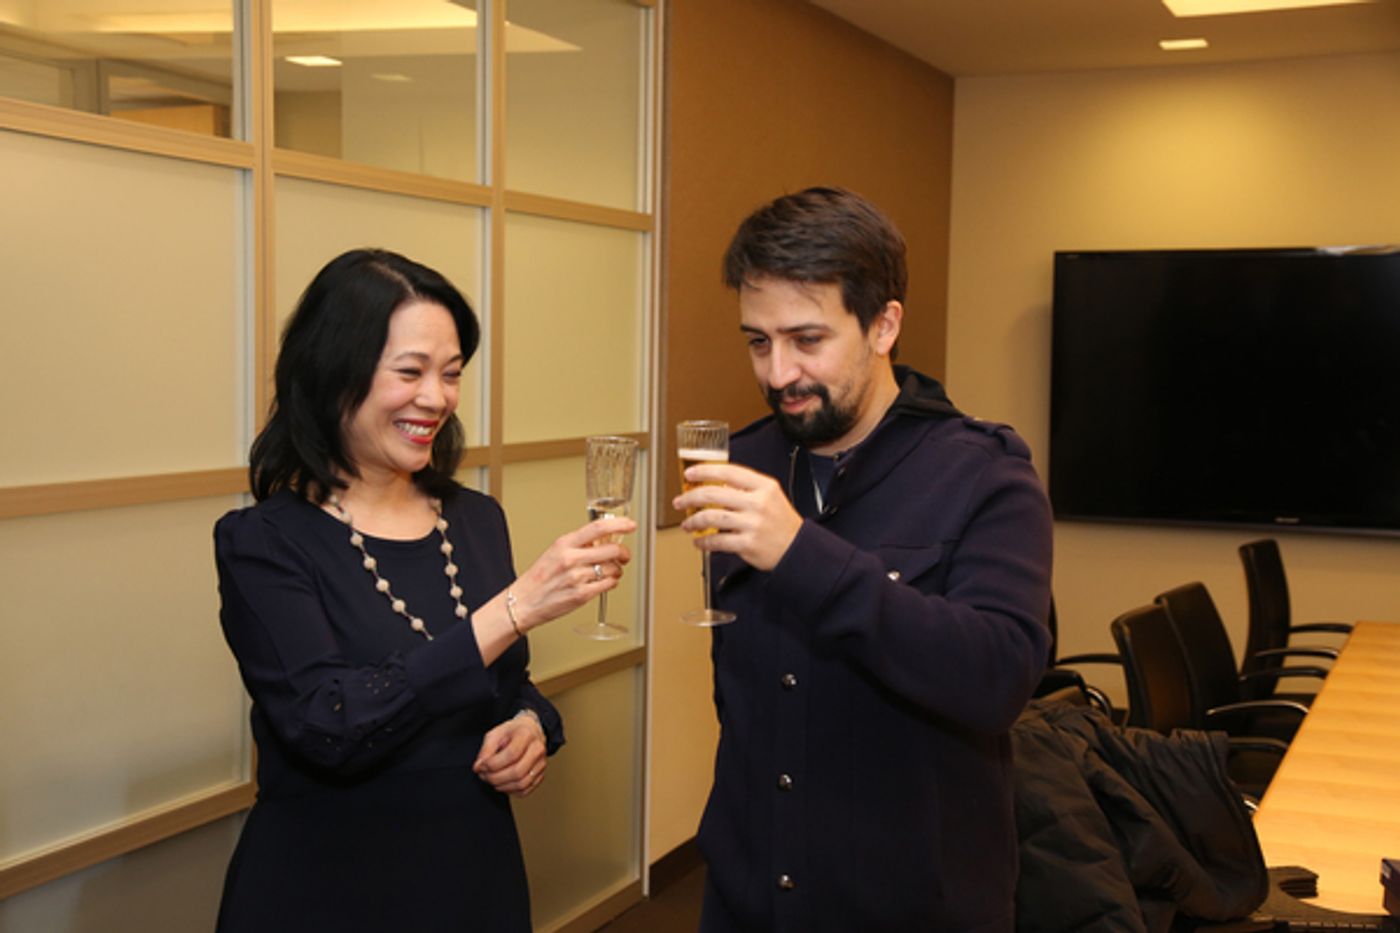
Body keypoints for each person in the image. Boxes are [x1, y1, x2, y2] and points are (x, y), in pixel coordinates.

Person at [213, 248, 635, 932]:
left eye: (450, 374)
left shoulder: (473, 519)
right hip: (327, 892)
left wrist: (534, 723)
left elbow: (506, 683)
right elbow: (330, 724)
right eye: (409, 372)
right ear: (331, 374)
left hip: (473, 878)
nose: (435, 398)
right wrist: (516, 608)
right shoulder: (264, 541)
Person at [673, 187, 1053, 932]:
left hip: (914, 906)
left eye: (807, 339)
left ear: (885, 325)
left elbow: (999, 677)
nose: (778, 372)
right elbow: (741, 689)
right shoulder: (743, 459)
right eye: (758, 340)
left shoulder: (984, 471)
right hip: (748, 896)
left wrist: (802, 553)